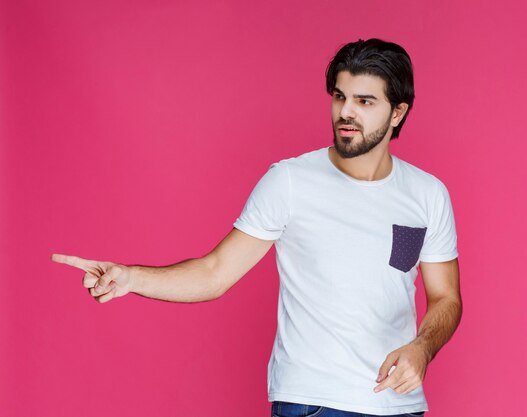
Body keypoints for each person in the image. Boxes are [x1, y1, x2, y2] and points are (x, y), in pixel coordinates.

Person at [51, 38, 462, 417]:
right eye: (340, 97)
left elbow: (446, 297)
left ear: (398, 111)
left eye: (365, 101)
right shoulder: (290, 181)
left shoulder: (427, 195)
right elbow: (215, 273)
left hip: (400, 405)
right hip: (314, 402)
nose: (346, 112)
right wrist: (131, 277)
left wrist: (423, 349)